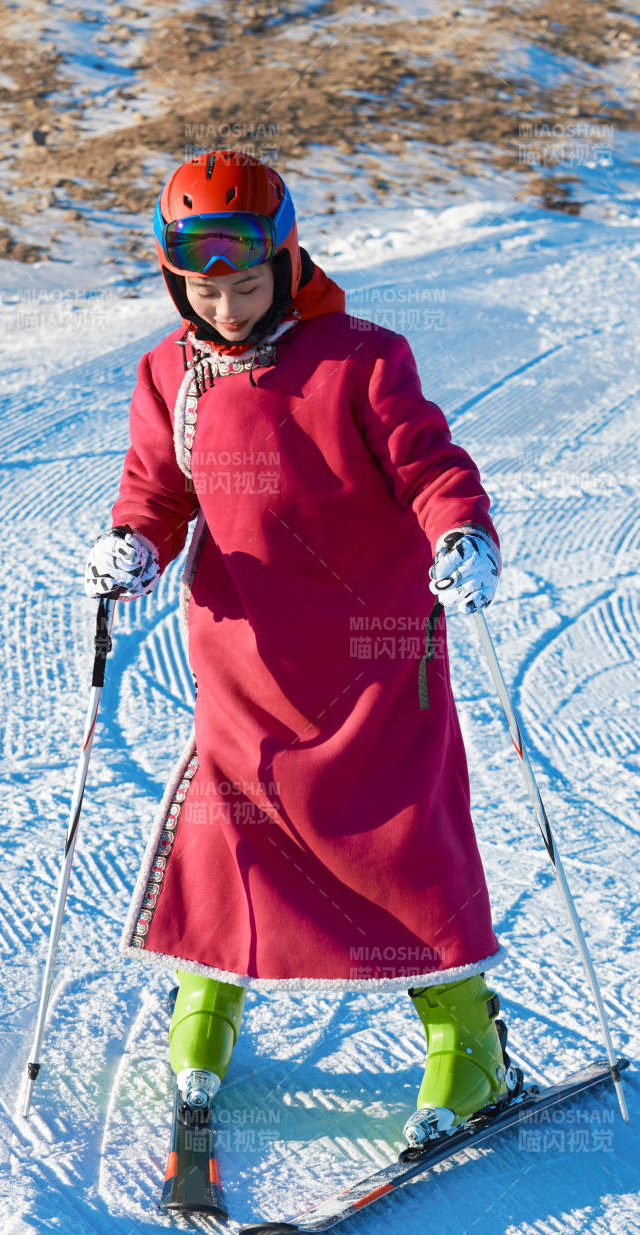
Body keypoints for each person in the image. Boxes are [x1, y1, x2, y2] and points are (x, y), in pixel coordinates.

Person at [84, 150, 517, 1147]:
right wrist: (134, 547)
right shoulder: (169, 371)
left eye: (243, 280)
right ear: (174, 281)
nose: (226, 304)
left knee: (400, 846)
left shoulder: (362, 357)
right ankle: (206, 1008)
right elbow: (157, 489)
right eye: (204, 286)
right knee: (228, 837)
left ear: (285, 264)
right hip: (245, 661)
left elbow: (430, 464)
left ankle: (467, 1044)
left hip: (374, 660)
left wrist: (460, 533)